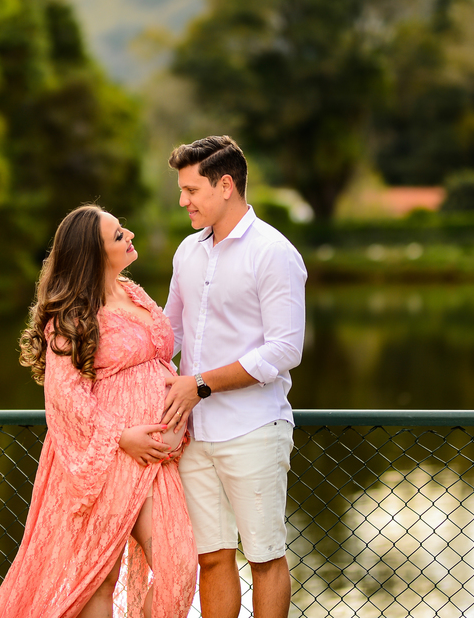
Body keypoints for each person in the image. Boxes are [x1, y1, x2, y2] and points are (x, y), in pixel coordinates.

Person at [0, 205, 197, 618]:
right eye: (118, 235)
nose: (130, 234)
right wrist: (121, 437)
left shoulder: (133, 292)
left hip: (156, 460)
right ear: (93, 254)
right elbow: (65, 397)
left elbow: (158, 359)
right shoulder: (71, 317)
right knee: (97, 581)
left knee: (180, 569)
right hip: (105, 460)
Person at [160, 136, 307, 618]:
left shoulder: (274, 253)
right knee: (212, 557)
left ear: (226, 186)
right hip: (193, 435)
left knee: (264, 556)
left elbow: (284, 349)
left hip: (253, 429)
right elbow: (170, 333)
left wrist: (200, 384)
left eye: (191, 190)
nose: (183, 201)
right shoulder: (187, 251)